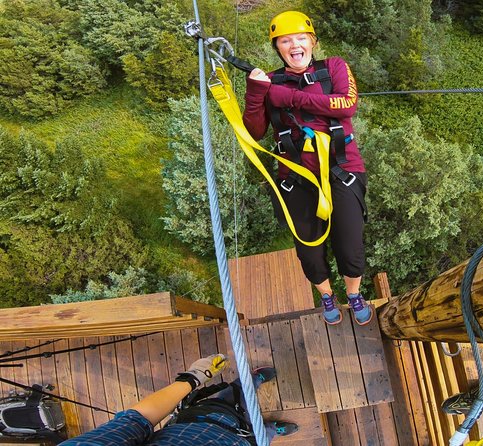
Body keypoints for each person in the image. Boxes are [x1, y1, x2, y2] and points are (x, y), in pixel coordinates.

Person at [242, 10, 371, 326]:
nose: (294, 45)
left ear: (312, 42)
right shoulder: (268, 83)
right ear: (278, 48)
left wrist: (286, 96)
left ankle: (353, 295)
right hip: (295, 177)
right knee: (310, 252)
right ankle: (327, 295)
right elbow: (254, 131)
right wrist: (256, 93)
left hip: (343, 168)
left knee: (350, 243)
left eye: (300, 38)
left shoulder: (335, 67)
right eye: (285, 41)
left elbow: (345, 104)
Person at [60, 354, 298, 445]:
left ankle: (248, 383)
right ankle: (267, 431)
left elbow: (136, 420)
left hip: (202, 425)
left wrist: (193, 379)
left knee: (230, 399)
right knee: (259, 437)